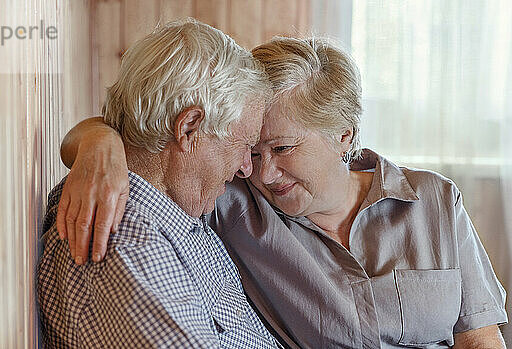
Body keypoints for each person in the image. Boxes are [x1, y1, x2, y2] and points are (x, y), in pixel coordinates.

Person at [57, 35, 508, 348]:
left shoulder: (434, 200)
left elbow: (480, 339)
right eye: (251, 149)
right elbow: (149, 141)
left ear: (344, 135)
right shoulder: (234, 199)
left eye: (283, 148)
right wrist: (99, 147)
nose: (264, 171)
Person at [37, 19, 282, 348]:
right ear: (189, 129)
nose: (246, 168)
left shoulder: (173, 209)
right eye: (243, 146)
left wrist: (96, 135)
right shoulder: (127, 243)